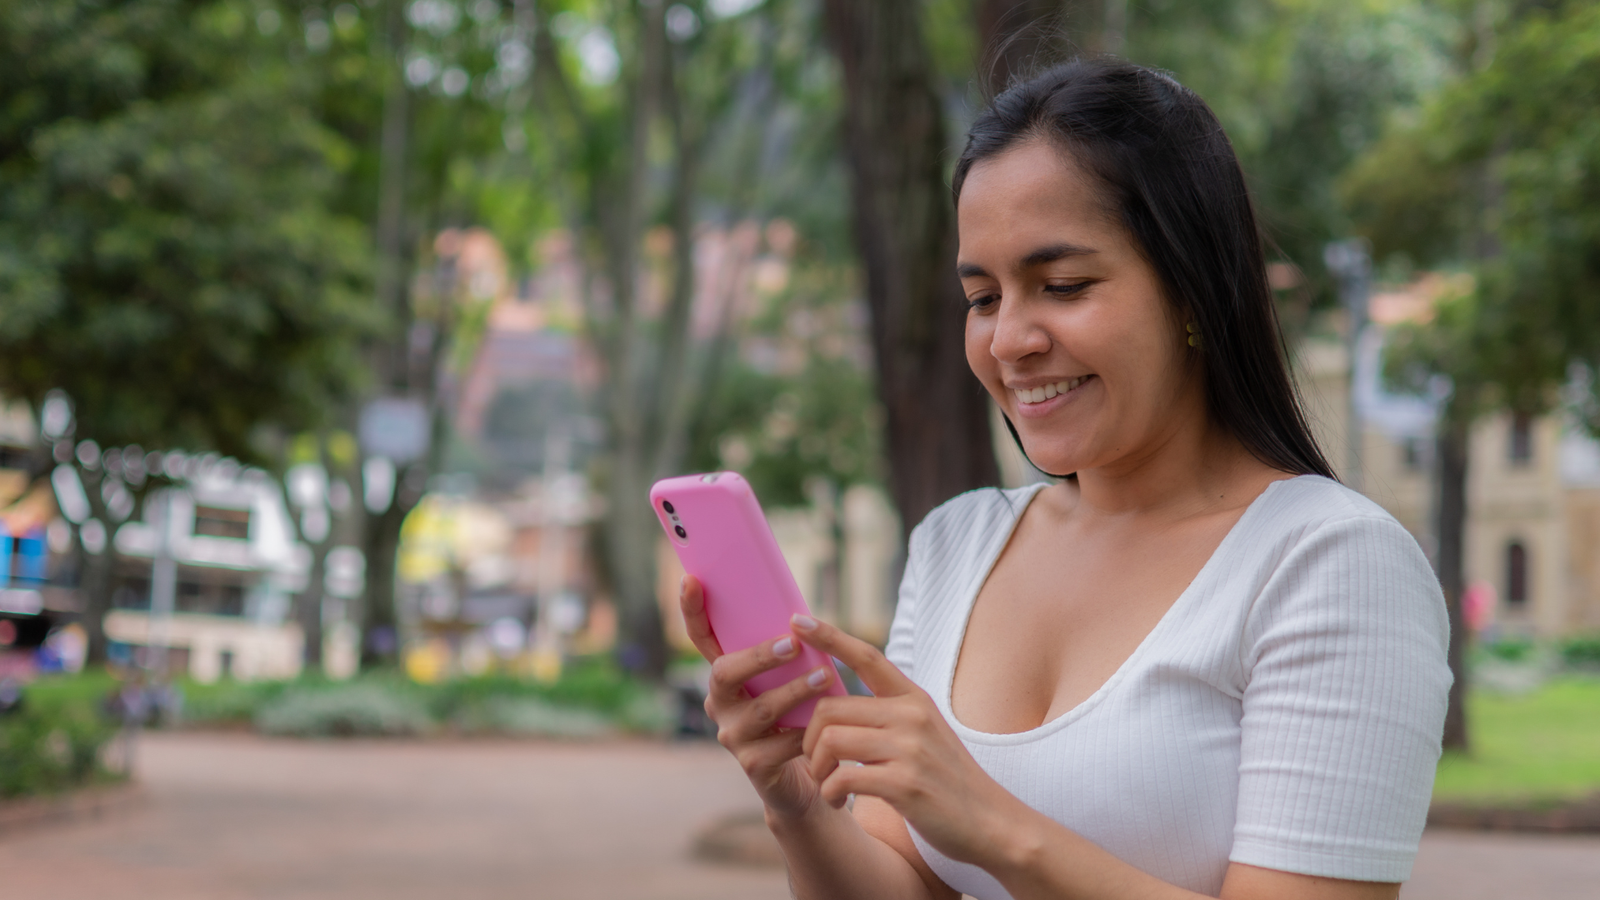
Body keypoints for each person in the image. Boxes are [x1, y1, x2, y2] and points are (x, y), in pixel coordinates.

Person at [679, 59, 1450, 900]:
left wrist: (989, 820)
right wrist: (794, 801)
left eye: (1064, 286)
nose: (1010, 339)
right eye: (982, 297)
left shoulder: (1331, 562)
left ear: (1195, 292)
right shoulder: (958, 544)